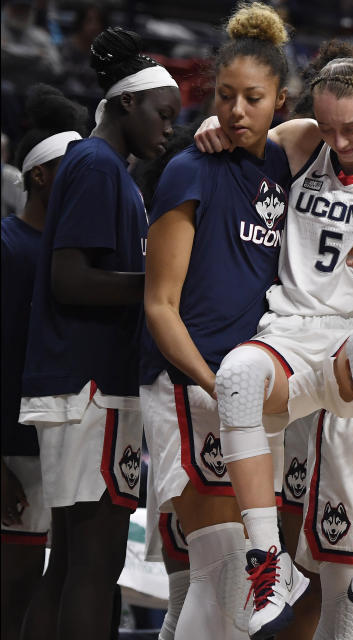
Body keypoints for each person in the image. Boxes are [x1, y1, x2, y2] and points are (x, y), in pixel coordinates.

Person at [194, 50, 353, 638]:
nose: (339, 142)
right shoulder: (300, 141)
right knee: (237, 376)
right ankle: (266, 563)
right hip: (290, 336)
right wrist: (213, 127)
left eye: (351, 128)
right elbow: (239, 127)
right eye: (328, 128)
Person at [16, 26, 179, 640]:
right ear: (128, 103)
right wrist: (159, 286)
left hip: (81, 385)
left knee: (74, 562)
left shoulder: (106, 168)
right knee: (96, 560)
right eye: (163, 114)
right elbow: (68, 278)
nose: (169, 128)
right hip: (90, 386)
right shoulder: (96, 165)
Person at [140, 4, 292, 639]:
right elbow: (158, 305)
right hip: (189, 385)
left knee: (215, 584)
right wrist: (210, 384)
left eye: (252, 98)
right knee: (229, 568)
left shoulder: (290, 165)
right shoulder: (188, 169)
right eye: (224, 96)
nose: (236, 111)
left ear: (279, 100)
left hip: (256, 392)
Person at [1, 84, 87, 640]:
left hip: (53, 447)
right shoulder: (7, 247)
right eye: (70, 170)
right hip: (10, 452)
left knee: (35, 599)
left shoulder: (73, 257)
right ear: (39, 176)